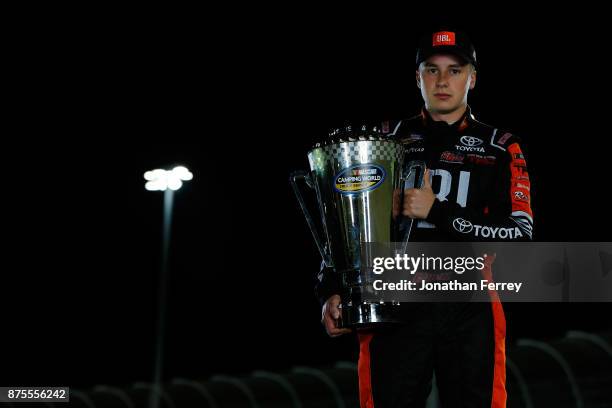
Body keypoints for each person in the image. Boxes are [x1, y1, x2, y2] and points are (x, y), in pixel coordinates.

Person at [316, 28, 533, 407]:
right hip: (393, 296)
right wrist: (332, 288)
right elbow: (348, 222)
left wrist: (437, 211)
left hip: (469, 300)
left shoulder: (500, 146)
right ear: (418, 78)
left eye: (455, 70)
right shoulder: (385, 140)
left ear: (473, 77)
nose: (443, 80)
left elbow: (518, 235)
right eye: (431, 70)